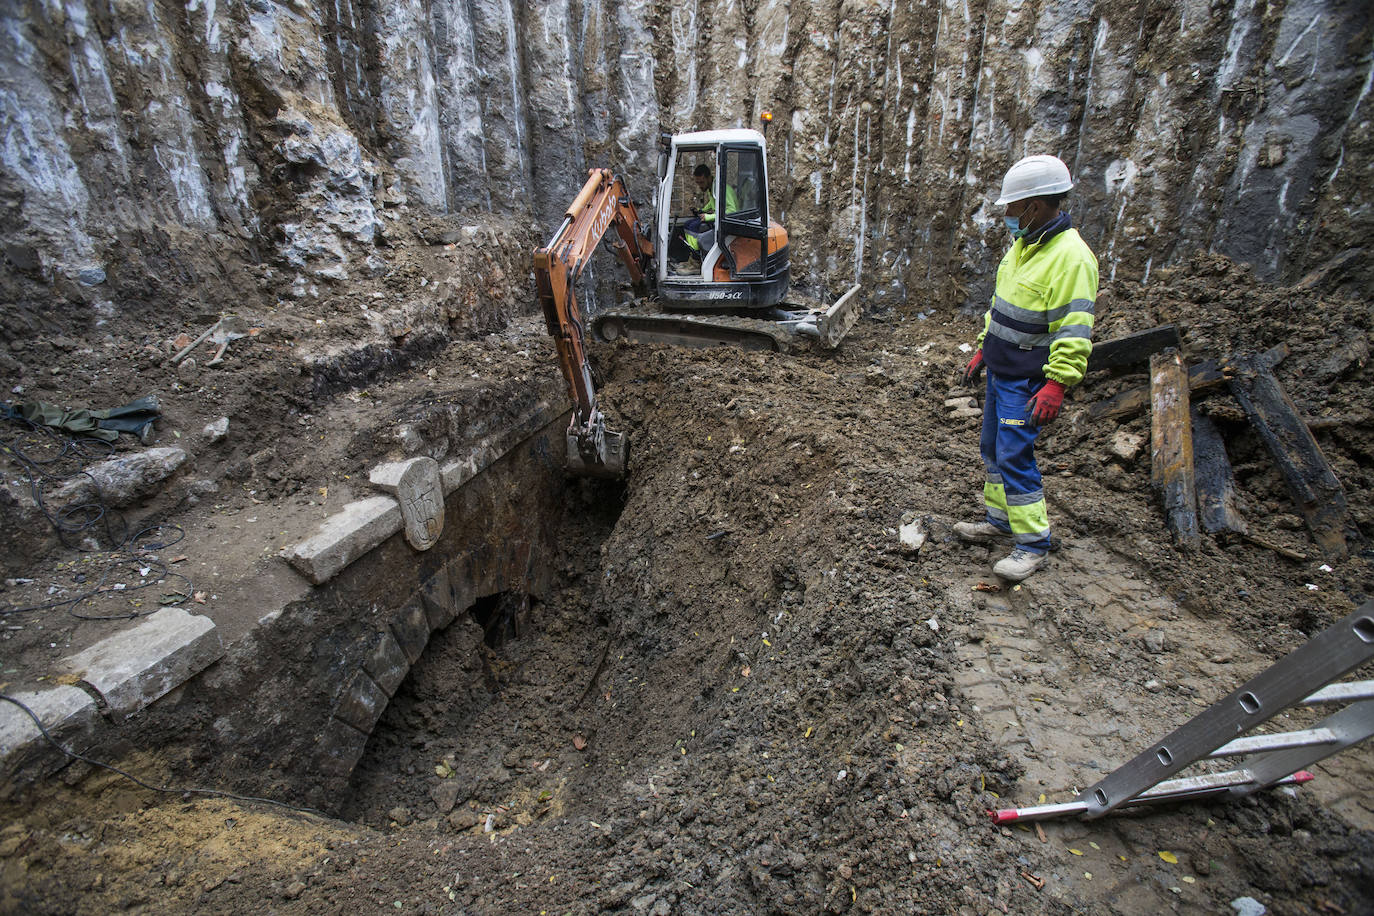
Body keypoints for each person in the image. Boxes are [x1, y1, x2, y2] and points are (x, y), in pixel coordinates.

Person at [954, 154, 1098, 581]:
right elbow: (1003, 308)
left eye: (1012, 208)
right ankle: (1000, 522)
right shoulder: (1025, 246)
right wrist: (984, 349)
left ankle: (1032, 543)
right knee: (994, 449)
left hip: (1027, 379)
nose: (1007, 216)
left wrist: (1058, 383)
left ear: (1034, 206)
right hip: (1003, 370)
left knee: (1015, 455)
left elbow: (1074, 331)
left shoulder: (1071, 259)